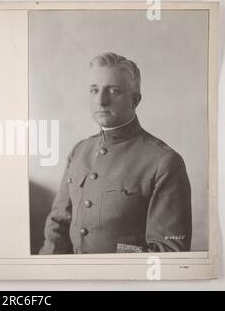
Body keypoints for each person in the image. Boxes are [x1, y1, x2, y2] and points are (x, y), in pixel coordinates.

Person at [39, 52, 192, 254]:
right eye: (94, 90)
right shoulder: (80, 151)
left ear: (135, 100)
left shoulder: (164, 162)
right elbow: (57, 228)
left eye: (113, 90)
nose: (101, 101)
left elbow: (169, 252)